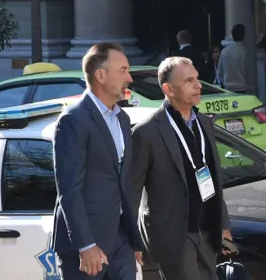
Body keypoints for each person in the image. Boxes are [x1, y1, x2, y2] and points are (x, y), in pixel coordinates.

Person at [125, 57, 232, 280]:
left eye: (197, 79)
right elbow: (130, 191)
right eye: (189, 80)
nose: (198, 85)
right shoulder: (146, 132)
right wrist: (132, 240)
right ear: (168, 89)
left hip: (208, 232)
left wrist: (223, 225)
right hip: (173, 235)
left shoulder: (204, 123)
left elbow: (213, 178)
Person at [52, 42, 144, 280]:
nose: (130, 78)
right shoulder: (74, 120)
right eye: (123, 70)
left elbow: (123, 182)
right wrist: (86, 245)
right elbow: (70, 190)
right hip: (89, 246)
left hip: (121, 240)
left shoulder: (122, 119)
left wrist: (133, 240)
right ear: (100, 75)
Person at [215, 25, 248, 94]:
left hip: (227, 87)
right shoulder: (245, 51)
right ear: (244, 35)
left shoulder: (224, 51)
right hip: (241, 86)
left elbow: (220, 72)